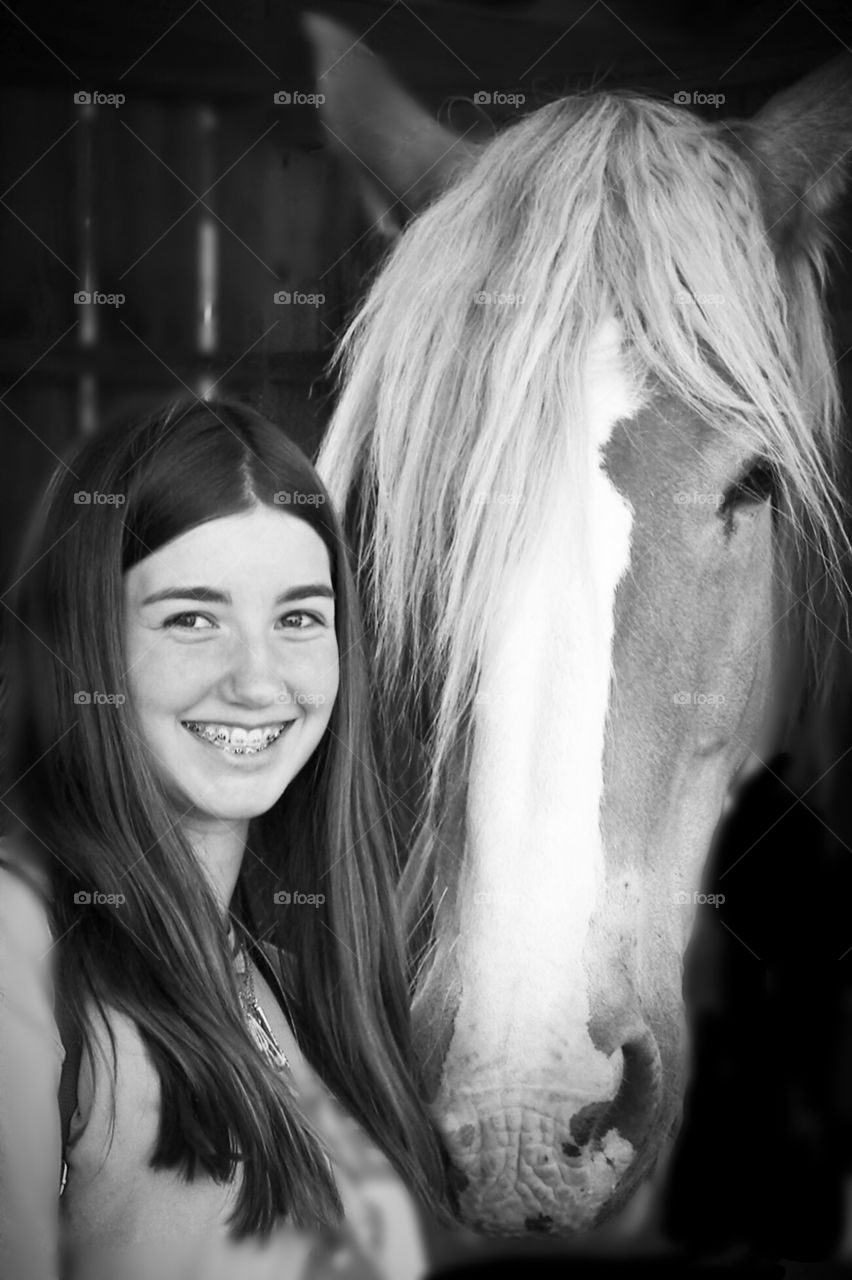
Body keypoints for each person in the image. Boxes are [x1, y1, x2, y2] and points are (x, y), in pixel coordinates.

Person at [0, 396, 450, 1280]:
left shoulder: (281, 969)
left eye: (297, 618)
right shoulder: (19, 938)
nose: (257, 680)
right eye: (191, 618)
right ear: (87, 644)